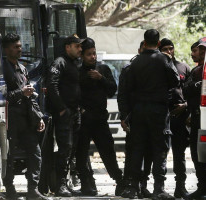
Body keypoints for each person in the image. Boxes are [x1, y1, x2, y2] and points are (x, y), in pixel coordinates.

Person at [122, 29, 179, 200]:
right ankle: (158, 189)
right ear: (159, 43)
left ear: (144, 42)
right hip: (158, 111)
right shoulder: (164, 59)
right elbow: (175, 81)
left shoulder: (136, 61)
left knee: (138, 148)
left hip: (139, 110)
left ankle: (133, 188)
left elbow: (128, 87)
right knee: (159, 148)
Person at [75, 37, 125, 197]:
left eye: (94, 53)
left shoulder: (103, 69)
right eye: (89, 54)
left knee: (108, 152)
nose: (93, 57)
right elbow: (72, 95)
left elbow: (112, 89)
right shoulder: (77, 71)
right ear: (82, 56)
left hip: (100, 119)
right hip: (84, 120)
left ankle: (120, 181)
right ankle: (86, 184)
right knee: (81, 154)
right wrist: (81, 110)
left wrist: (101, 78)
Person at [1, 33, 49, 200]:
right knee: (9, 156)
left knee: (35, 153)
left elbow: (30, 95)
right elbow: (1, 96)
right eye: (16, 47)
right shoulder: (1, 69)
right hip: (10, 120)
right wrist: (20, 93)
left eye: (20, 46)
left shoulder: (22, 68)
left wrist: (39, 118)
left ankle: (33, 189)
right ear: (7, 50)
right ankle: (9, 189)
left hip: (27, 119)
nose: (20, 49)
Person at [45, 34, 83, 197]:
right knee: (64, 149)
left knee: (71, 149)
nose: (80, 49)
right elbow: (52, 85)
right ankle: (60, 184)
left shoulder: (75, 64)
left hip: (75, 113)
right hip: (65, 114)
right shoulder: (59, 62)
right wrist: (61, 108)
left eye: (80, 46)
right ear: (68, 47)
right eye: (77, 46)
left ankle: (66, 182)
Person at [118, 41, 153, 198]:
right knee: (133, 152)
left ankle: (142, 184)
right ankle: (130, 185)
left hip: (150, 117)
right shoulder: (129, 68)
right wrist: (124, 116)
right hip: (134, 116)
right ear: (139, 50)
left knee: (148, 152)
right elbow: (123, 95)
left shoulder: (156, 67)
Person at [159, 38, 191, 199]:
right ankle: (160, 188)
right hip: (162, 116)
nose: (169, 51)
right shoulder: (156, 68)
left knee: (179, 154)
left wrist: (185, 106)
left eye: (171, 48)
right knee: (160, 155)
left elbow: (191, 93)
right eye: (165, 49)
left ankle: (181, 187)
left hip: (180, 117)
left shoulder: (183, 67)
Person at [184, 37, 206, 200]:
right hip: (199, 119)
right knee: (198, 153)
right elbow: (186, 90)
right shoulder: (196, 71)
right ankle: (202, 187)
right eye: (201, 49)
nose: (202, 53)